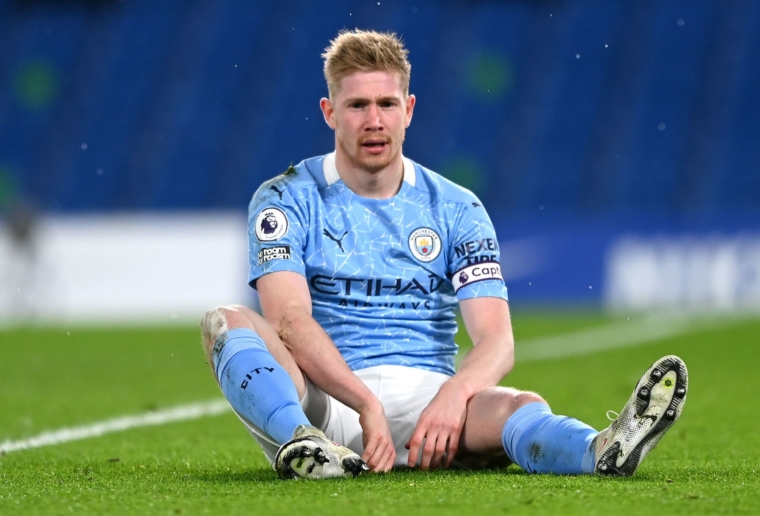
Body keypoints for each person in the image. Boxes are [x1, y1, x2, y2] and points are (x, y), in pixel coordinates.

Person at [200, 29, 688, 479]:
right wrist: (364, 403)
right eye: (357, 106)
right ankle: (303, 444)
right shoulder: (285, 198)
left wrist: (454, 395)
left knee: (520, 404)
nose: (374, 121)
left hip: (433, 408)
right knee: (227, 320)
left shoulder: (456, 206)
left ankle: (601, 450)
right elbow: (288, 321)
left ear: (409, 109)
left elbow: (497, 340)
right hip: (327, 401)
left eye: (387, 104)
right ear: (329, 112)